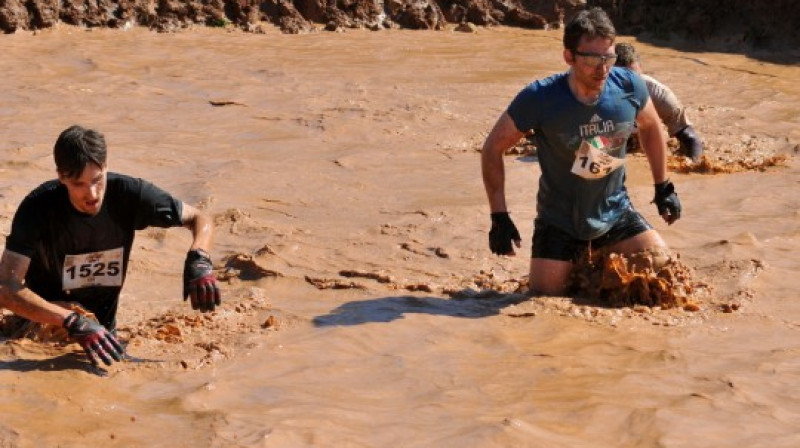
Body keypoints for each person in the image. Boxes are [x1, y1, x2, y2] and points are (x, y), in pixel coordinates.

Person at [481, 7, 681, 297]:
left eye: (608, 57)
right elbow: (492, 148)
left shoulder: (629, 86)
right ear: (569, 56)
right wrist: (499, 215)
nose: (602, 68)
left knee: (664, 276)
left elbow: (651, 127)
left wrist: (663, 186)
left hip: (616, 213)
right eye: (591, 59)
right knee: (543, 303)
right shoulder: (540, 98)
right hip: (559, 222)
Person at [0, 125, 221, 366]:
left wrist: (199, 257)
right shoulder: (37, 208)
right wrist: (73, 321)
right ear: (61, 177)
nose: (92, 194)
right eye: (78, 184)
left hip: (104, 334)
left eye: (97, 180)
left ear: (106, 166)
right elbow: (6, 288)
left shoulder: (129, 195)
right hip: (45, 329)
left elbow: (200, 218)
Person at [614, 42, 703, 161]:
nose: (633, 86)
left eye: (636, 78)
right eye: (624, 80)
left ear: (641, 70)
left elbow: (691, 139)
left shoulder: (659, 95)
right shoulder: (590, 92)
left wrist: (694, 167)